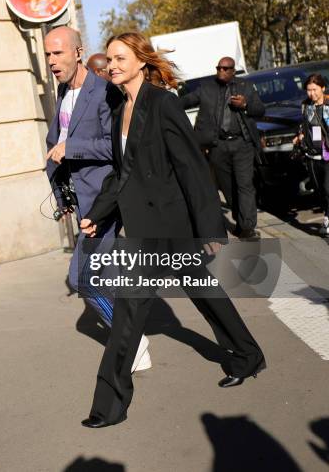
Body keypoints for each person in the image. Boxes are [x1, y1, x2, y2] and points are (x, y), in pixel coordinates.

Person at [80, 32, 265, 428]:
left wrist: (210, 227)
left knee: (149, 308)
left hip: (173, 225)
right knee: (189, 298)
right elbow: (121, 176)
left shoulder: (163, 103)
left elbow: (192, 168)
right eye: (109, 59)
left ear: (141, 60)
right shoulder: (118, 112)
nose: (111, 65)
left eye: (119, 57)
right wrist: (98, 213)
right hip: (145, 229)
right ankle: (248, 356)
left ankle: (109, 405)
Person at [45, 26, 151, 372]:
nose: (51, 61)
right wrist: (62, 192)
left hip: (105, 200)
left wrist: (70, 149)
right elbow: (56, 138)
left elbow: (114, 145)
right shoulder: (63, 92)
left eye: (58, 53)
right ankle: (133, 338)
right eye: (47, 54)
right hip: (83, 201)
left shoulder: (104, 91)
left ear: (78, 53)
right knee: (104, 276)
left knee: (83, 279)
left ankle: (131, 340)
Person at [180, 57, 265, 239]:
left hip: (242, 143)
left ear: (233, 70)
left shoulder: (245, 87)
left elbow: (260, 110)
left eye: (226, 68)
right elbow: (186, 101)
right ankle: (240, 217)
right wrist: (165, 100)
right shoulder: (207, 88)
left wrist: (245, 105)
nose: (221, 71)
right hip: (218, 145)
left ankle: (247, 226)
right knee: (228, 187)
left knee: (245, 185)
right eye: (219, 68)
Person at [293, 73, 329, 237]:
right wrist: (299, 136)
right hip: (312, 155)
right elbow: (304, 125)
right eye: (308, 90)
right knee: (320, 190)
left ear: (323, 88)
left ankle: (328, 219)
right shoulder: (305, 105)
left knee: (328, 189)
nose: (311, 94)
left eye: (314, 90)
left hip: (328, 154)